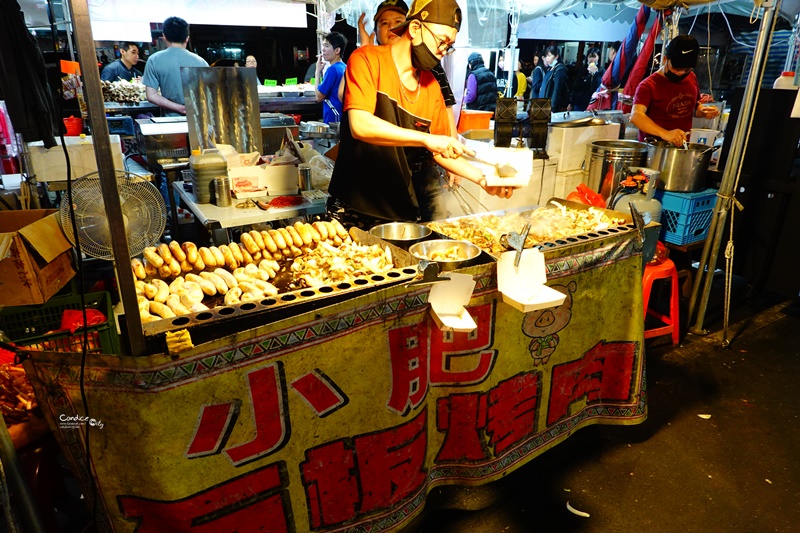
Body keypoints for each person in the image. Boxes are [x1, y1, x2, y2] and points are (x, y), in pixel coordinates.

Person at [328, 0, 513, 224]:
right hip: (353, 204)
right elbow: (360, 125)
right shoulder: (367, 59)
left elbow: (440, 150)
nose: (443, 51)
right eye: (441, 41)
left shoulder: (431, 86)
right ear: (415, 28)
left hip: (397, 206)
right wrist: (427, 139)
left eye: (449, 45)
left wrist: (483, 178)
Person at [630, 35, 720, 146]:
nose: (681, 72)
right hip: (654, 149)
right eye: (677, 68)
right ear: (665, 60)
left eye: (686, 68)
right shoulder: (648, 86)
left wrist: (704, 111)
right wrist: (665, 134)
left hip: (682, 147)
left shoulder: (691, 77)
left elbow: (692, 108)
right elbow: (636, 116)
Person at [142, 16, 208, 116]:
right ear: (187, 38)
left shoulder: (154, 60)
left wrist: (180, 108)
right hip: (198, 121)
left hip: (170, 123)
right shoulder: (201, 62)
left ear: (164, 37)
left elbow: (151, 95)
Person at [315, 32, 347, 124]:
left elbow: (319, 96)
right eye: (323, 46)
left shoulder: (332, 70)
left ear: (337, 50)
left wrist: (317, 72)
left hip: (333, 119)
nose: (323, 50)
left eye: (327, 46)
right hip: (342, 118)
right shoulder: (345, 67)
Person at [538, 45, 569, 112]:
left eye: (549, 56)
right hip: (543, 104)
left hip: (551, 107)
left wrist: (552, 108)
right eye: (546, 56)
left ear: (556, 56)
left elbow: (556, 90)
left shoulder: (559, 69)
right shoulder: (549, 69)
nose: (547, 58)